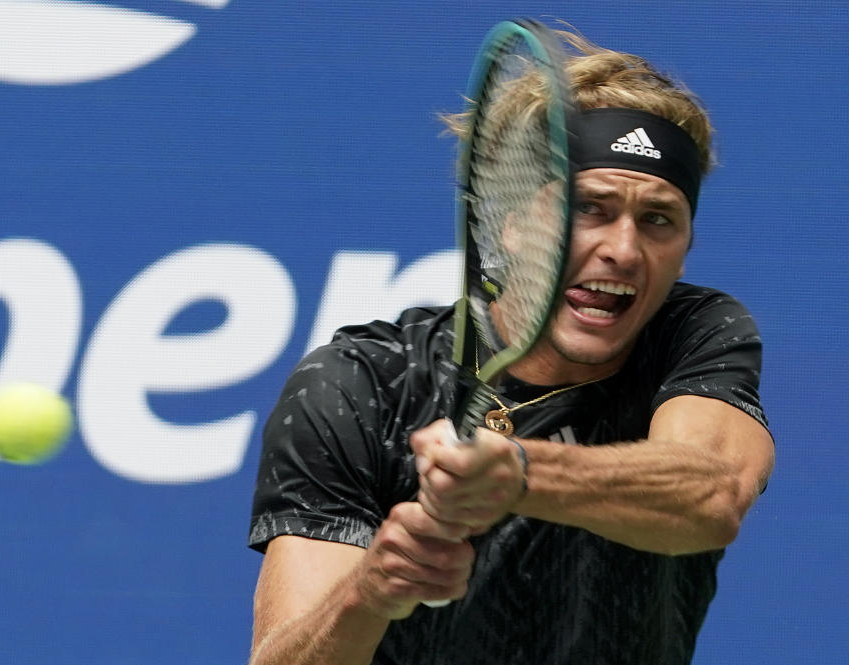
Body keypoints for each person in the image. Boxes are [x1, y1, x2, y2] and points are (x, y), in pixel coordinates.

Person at [247, 27, 774, 665]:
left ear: (686, 245)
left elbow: (712, 495)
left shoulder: (695, 332)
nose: (626, 249)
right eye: (591, 209)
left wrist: (518, 475)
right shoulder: (360, 383)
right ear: (513, 221)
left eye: (658, 219)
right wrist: (371, 591)